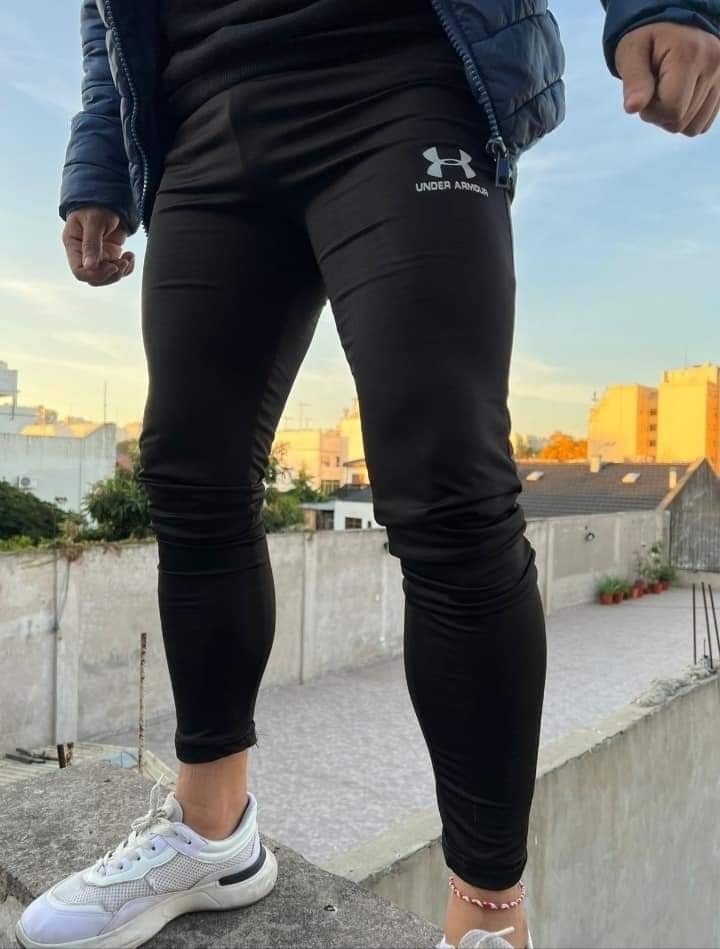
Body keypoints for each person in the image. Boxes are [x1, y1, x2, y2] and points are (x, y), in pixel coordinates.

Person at [16, 2, 720, 948]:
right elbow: (105, 23)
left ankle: (489, 916)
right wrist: (100, 162)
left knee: (448, 485)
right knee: (190, 479)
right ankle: (211, 832)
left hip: (400, 71)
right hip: (200, 112)